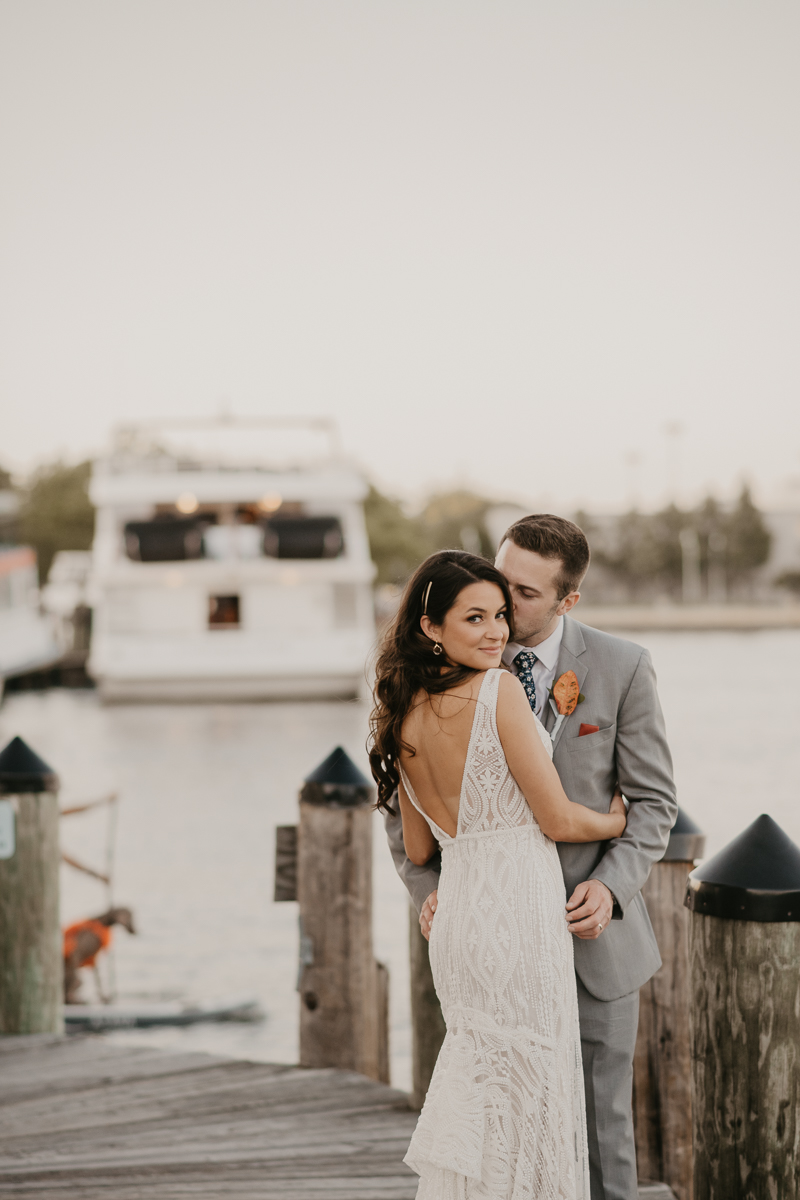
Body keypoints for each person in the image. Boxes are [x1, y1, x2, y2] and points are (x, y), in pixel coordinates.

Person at [384, 517, 678, 1200]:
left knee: (601, 1133)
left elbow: (656, 805)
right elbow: (406, 830)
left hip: (591, 939)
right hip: (494, 941)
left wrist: (610, 889)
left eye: (520, 593)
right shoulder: (450, 684)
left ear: (567, 601)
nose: (501, 607)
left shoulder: (622, 666)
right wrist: (427, 887)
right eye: (495, 579)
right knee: (500, 1123)